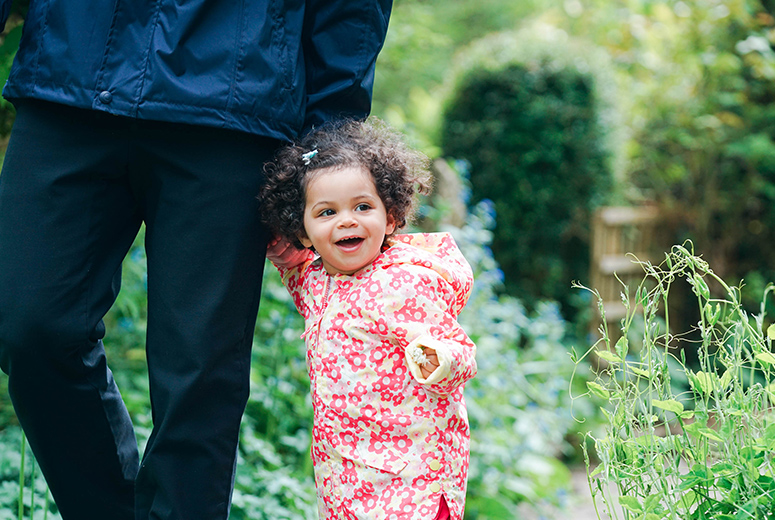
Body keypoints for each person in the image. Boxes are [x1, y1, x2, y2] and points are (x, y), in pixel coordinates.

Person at [0, 2, 393, 519]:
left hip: (235, 101)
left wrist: (321, 152)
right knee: (30, 328)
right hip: (71, 76)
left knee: (200, 377)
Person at [260, 119, 478, 520]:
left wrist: (437, 357)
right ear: (304, 231)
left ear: (391, 216)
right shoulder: (316, 279)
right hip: (345, 474)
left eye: (363, 207)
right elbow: (293, 268)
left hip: (413, 476)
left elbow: (461, 354)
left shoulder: (406, 282)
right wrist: (277, 246)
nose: (347, 220)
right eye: (326, 212)